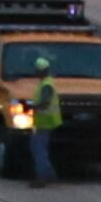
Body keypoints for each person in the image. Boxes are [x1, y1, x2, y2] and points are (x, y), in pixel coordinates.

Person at [22, 57, 64, 188]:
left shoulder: (46, 85)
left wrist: (31, 107)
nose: (35, 72)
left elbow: (45, 103)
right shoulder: (46, 83)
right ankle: (50, 174)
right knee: (36, 147)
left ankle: (42, 178)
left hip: (46, 122)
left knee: (39, 150)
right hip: (44, 121)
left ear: (41, 71)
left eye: (37, 70)